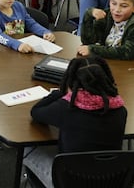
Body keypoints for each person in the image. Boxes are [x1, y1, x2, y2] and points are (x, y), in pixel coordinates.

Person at [23, 55, 127, 188]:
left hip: (70, 182)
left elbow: (36, 112)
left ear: (71, 82)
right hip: (108, 180)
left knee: (28, 149)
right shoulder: (121, 110)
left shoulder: (66, 108)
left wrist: (61, 93)